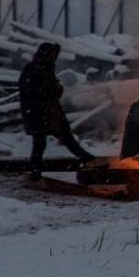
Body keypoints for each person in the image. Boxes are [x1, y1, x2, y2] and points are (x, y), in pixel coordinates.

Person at [19, 42, 96, 180]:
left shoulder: (46, 68)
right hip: (38, 112)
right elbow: (30, 91)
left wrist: (55, 89)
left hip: (50, 112)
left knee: (65, 136)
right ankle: (35, 171)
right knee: (40, 143)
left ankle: (86, 158)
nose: (55, 57)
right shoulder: (32, 69)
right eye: (53, 54)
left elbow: (52, 90)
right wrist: (50, 91)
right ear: (46, 54)